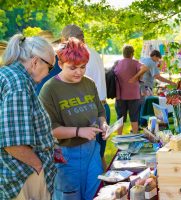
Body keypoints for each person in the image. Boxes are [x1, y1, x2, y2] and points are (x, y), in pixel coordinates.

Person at [39, 37, 108, 200]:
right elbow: (51, 130)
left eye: (83, 67)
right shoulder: (49, 90)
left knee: (97, 194)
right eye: (73, 67)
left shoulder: (89, 83)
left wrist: (103, 124)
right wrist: (79, 131)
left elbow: (100, 112)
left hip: (92, 152)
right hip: (66, 156)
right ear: (60, 64)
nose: (79, 72)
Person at [0, 34, 56, 200]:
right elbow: (13, 144)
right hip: (23, 175)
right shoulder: (19, 85)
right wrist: (39, 166)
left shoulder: (8, 75)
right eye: (50, 67)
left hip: (16, 172)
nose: (49, 73)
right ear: (35, 62)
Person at [61, 24, 110, 170]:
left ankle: (100, 188)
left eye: (63, 42)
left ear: (68, 39)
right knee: (98, 155)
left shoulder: (78, 56)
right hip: (102, 106)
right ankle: (104, 185)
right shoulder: (93, 52)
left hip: (91, 109)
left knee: (90, 159)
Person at [114, 45, 145, 134]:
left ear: (123, 54)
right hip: (134, 96)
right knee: (134, 118)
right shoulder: (135, 63)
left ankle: (119, 139)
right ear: (132, 54)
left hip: (120, 95)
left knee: (120, 119)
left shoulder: (117, 63)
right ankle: (134, 138)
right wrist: (135, 77)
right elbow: (145, 68)